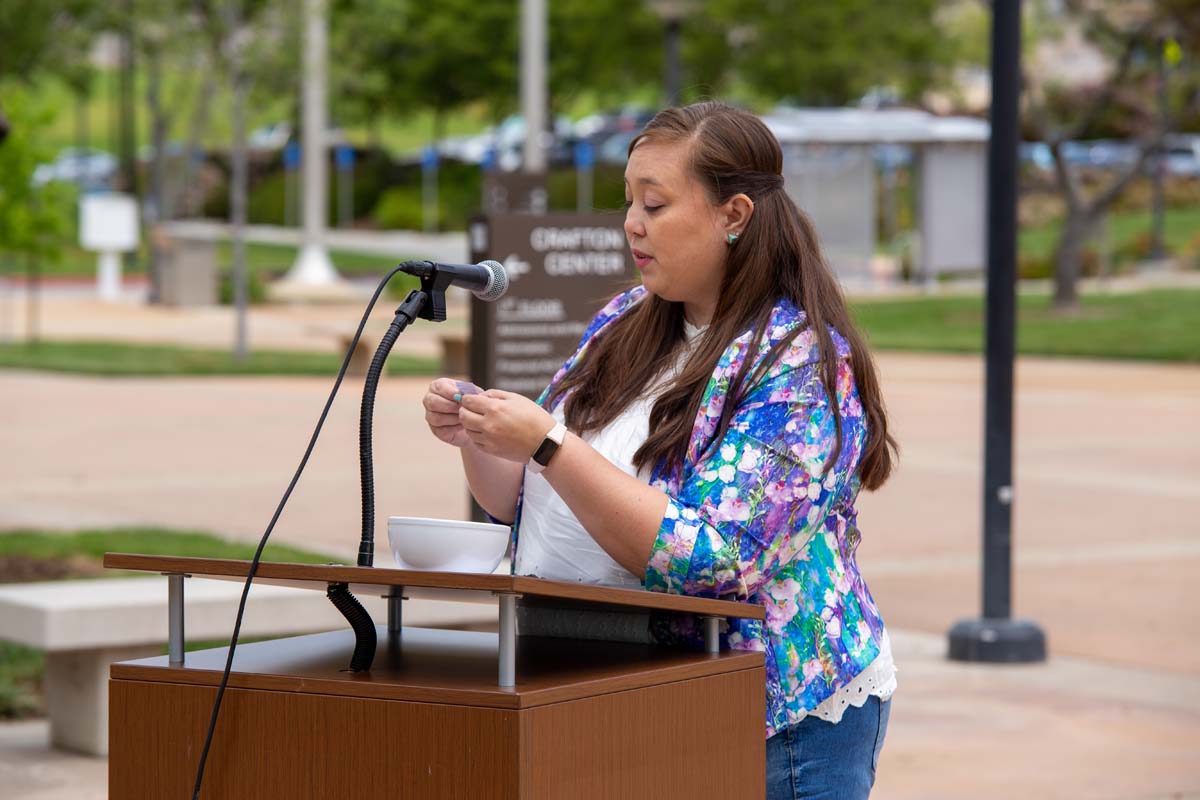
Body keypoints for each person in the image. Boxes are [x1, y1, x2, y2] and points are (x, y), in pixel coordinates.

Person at [422, 101, 898, 799]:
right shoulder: (625, 320)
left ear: (733, 215)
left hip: (773, 720)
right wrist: (479, 432)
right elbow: (529, 504)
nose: (632, 225)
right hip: (621, 689)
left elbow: (714, 560)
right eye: (628, 202)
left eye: (655, 203)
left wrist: (549, 443)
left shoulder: (798, 363)